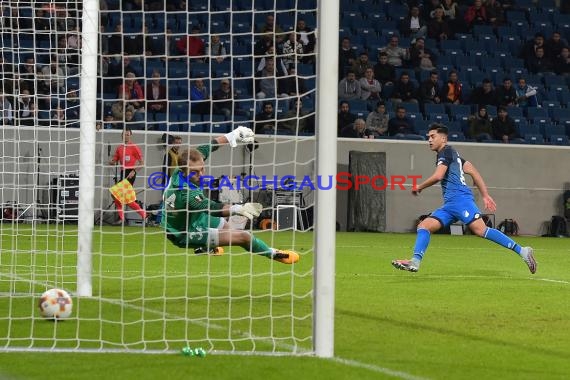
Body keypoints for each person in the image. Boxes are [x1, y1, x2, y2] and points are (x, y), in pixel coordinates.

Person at [391, 123, 536, 274]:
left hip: (461, 200)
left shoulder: (446, 152)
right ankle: (415, 261)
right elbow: (474, 172)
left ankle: (522, 251)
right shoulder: (454, 156)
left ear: (443, 139)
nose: (429, 140)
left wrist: (419, 186)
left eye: (433, 137)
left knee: (481, 230)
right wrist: (485, 195)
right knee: (424, 226)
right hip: (450, 205)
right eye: (428, 137)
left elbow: (438, 176)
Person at [162, 126, 299, 264]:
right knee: (244, 237)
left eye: (202, 169)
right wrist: (238, 209)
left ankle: (205, 248)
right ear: (184, 171)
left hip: (190, 217)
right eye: (195, 172)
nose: (201, 174)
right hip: (182, 232)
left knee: (226, 227)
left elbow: (210, 146)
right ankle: (274, 254)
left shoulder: (182, 168)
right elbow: (211, 207)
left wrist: (232, 135)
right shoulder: (186, 191)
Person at [108, 128, 146, 221]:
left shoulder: (134, 147)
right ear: (122, 136)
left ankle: (123, 218)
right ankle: (143, 214)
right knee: (121, 197)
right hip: (122, 173)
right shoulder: (119, 148)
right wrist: (112, 161)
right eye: (124, 134)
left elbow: (142, 163)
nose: (126, 136)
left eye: (128, 134)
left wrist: (134, 171)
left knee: (116, 195)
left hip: (130, 174)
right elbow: (115, 160)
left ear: (130, 136)